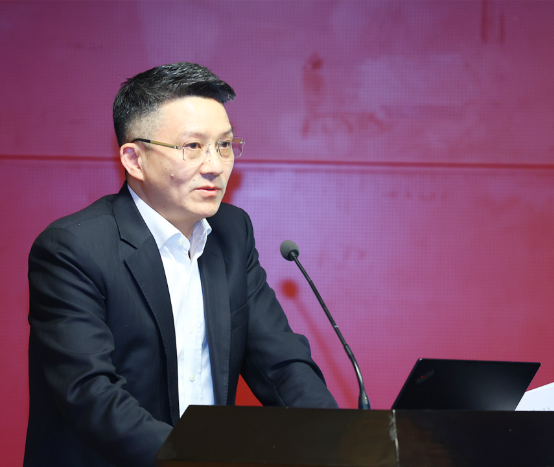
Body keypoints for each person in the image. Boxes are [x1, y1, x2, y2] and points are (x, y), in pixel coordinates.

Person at [23, 62, 338, 467]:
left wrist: (338, 440)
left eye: (224, 145)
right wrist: (199, 458)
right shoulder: (74, 248)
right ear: (134, 159)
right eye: (193, 146)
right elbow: (91, 395)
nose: (215, 165)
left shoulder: (231, 233)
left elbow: (280, 363)